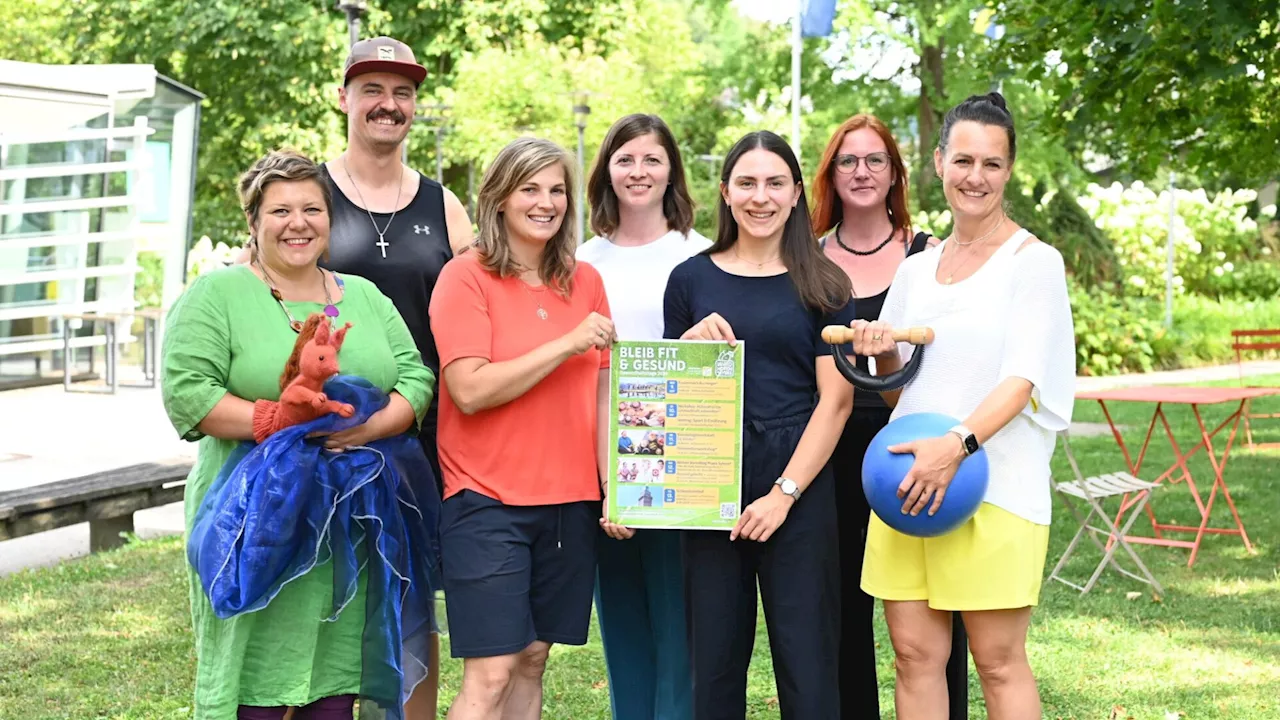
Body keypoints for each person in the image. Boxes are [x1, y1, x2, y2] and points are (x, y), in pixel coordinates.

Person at [161, 149, 437, 719]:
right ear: (253, 222)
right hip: (254, 521)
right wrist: (277, 421)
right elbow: (189, 393)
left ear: (329, 220)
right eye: (280, 210)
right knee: (254, 682)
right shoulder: (217, 296)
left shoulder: (362, 295)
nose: (298, 222)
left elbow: (415, 374)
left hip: (353, 522)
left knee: (335, 682)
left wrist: (370, 427)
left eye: (312, 208)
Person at [849, 92, 1075, 720]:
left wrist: (956, 448)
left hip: (995, 487)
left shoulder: (1034, 264)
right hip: (906, 486)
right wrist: (881, 354)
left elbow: (1022, 380)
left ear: (1008, 171)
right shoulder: (916, 270)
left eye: (993, 164)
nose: (976, 177)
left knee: (998, 664)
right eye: (964, 161)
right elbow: (900, 388)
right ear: (939, 161)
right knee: (913, 657)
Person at [664, 130, 856, 719]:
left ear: (797, 194)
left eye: (775, 183)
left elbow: (837, 403)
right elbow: (671, 400)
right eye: (746, 183)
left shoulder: (825, 283)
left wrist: (783, 495)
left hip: (798, 481)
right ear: (725, 192)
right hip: (711, 483)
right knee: (715, 665)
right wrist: (688, 347)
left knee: (808, 664)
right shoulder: (689, 280)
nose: (760, 197)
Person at [429, 137, 621, 720]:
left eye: (557, 190)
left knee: (534, 658)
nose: (546, 202)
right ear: (500, 199)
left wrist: (615, 485)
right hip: (486, 499)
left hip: (571, 502)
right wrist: (566, 342)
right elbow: (469, 389)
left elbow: (603, 391)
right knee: (490, 673)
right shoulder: (465, 278)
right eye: (529, 189)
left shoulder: (584, 280)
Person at [314, 37, 473, 719]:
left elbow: (479, 308)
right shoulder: (307, 195)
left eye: (402, 92)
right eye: (372, 89)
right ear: (343, 98)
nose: (389, 104)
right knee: (321, 611)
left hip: (421, 441)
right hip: (321, 441)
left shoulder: (447, 207)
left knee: (412, 608)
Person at [809, 114, 970, 719]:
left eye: (875, 160)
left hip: (915, 447)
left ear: (896, 173)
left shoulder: (929, 255)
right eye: (848, 161)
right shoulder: (809, 259)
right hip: (832, 445)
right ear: (831, 173)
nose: (862, 172)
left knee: (933, 610)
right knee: (845, 607)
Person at [577, 115, 707, 720]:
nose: (638, 172)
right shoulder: (582, 260)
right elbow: (589, 371)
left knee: (680, 626)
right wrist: (611, 478)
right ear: (607, 169)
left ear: (671, 171)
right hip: (602, 453)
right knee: (623, 620)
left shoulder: (702, 254)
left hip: (684, 455)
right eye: (625, 159)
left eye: (652, 159)